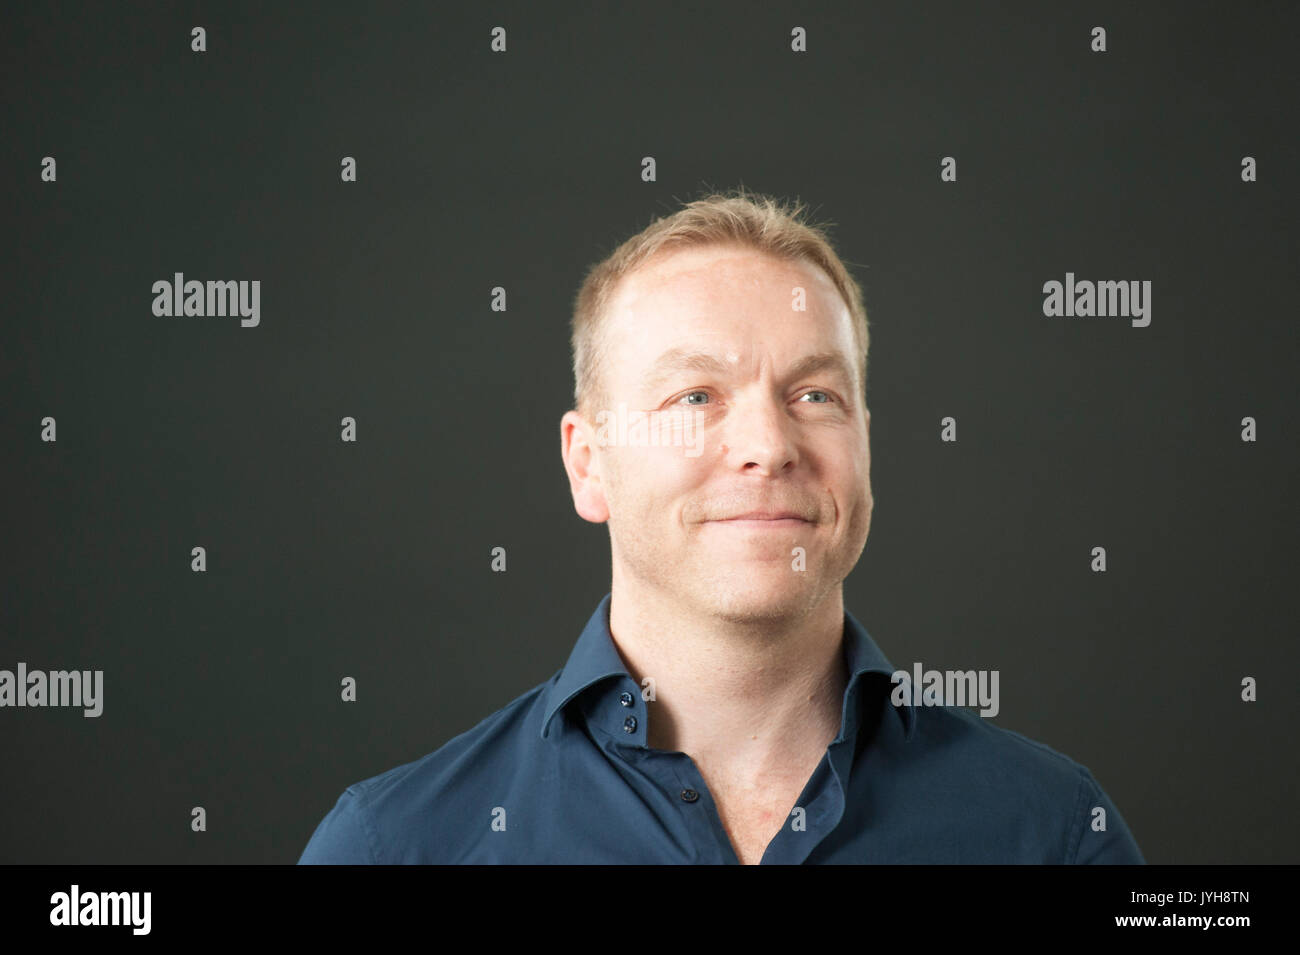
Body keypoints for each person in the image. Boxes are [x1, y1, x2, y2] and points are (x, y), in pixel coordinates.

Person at [298, 188, 1144, 864]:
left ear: (865, 446)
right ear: (588, 461)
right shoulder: (396, 847)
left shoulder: (1056, 835)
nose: (770, 446)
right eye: (695, 397)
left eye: (815, 395)